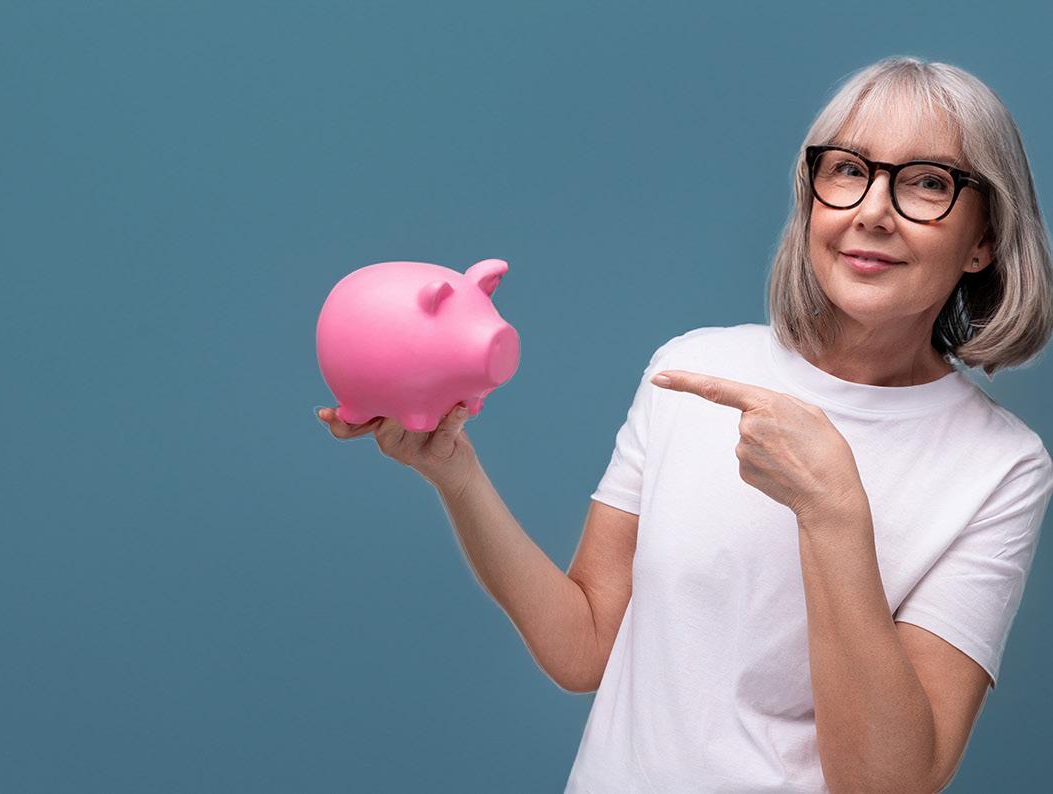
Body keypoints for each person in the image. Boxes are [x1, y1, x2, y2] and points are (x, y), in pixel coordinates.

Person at [315, 56, 1053, 792]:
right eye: (847, 170)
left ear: (984, 240)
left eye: (927, 183)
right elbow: (584, 649)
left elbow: (886, 783)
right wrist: (457, 475)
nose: (871, 212)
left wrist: (832, 511)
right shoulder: (690, 368)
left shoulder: (1001, 467)